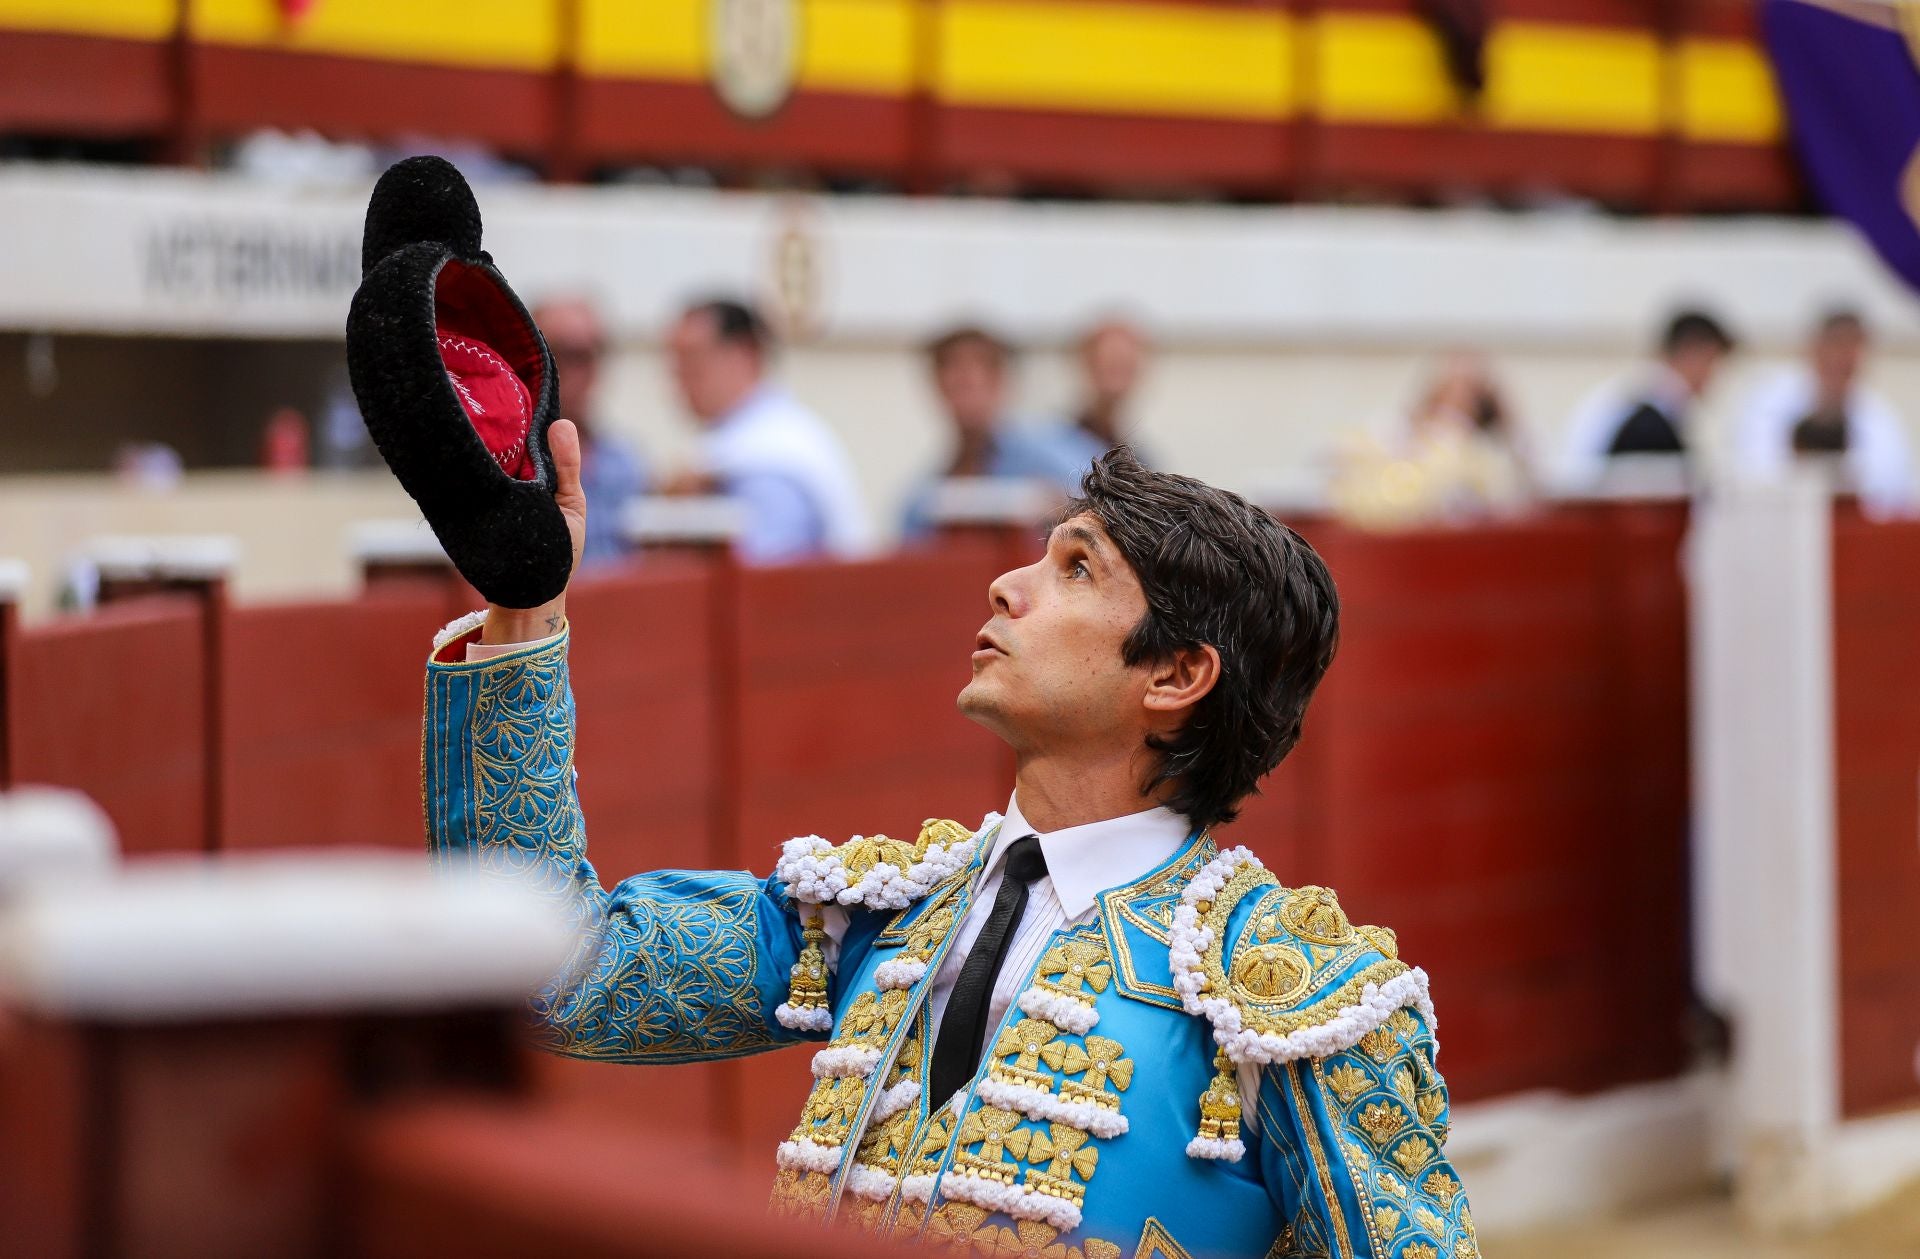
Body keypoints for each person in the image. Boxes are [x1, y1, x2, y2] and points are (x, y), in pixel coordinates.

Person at [420, 435, 1476, 1257]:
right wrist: (526, 615)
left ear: (1174, 676)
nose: (1007, 585)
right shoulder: (883, 909)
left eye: (1075, 568)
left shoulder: (1294, 999)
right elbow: (555, 973)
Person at [666, 297, 872, 564]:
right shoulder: (750, 441)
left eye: (692, 358)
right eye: (675, 362)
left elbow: (765, 576)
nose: (678, 377)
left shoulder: (776, 454)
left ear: (746, 353)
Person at [902, 327, 1109, 539]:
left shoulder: (1054, 449)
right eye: (953, 372)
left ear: (1004, 380)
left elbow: (1111, 502)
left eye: (983, 368)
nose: (968, 382)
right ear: (938, 385)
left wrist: (1058, 506)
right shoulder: (925, 494)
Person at [1732, 308, 1916, 517]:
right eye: (1837, 343)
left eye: (1854, 346)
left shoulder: (1882, 418)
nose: (1844, 356)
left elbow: (1898, 493)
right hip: (1781, 524)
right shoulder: (1768, 402)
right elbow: (1754, 475)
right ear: (1815, 346)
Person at [1556, 308, 1736, 491]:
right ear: (1692, 354)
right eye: (1713, 362)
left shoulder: (1641, 395)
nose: (1715, 377)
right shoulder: (1647, 413)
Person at [532, 297, 649, 566]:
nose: (586, 370)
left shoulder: (625, 459)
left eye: (596, 352)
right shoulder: (504, 464)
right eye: (570, 354)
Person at [1071, 319, 1151, 458]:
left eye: (1125, 367)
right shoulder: (1048, 447)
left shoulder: (1143, 459)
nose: (1116, 383)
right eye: (1109, 366)